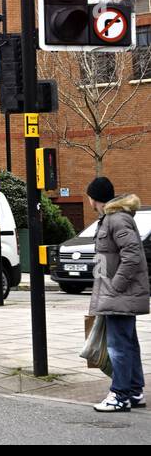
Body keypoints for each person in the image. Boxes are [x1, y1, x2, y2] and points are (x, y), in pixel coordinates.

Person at [86, 177, 148, 413]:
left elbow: (132, 255)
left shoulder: (116, 219)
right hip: (115, 295)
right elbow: (104, 262)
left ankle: (120, 395)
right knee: (127, 344)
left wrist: (116, 286)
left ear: (94, 198)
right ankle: (133, 391)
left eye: (89, 196)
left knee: (118, 347)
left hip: (120, 295)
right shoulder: (110, 220)